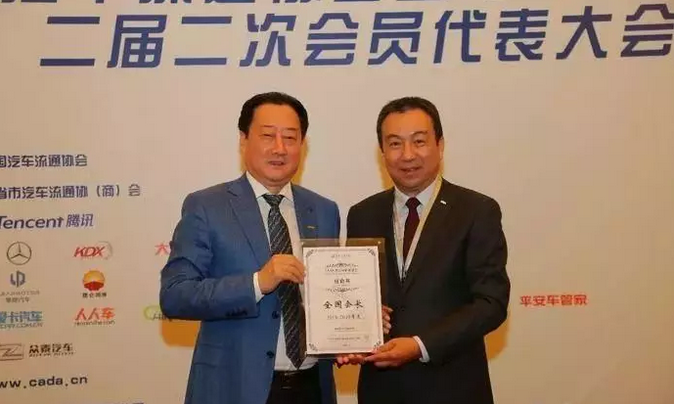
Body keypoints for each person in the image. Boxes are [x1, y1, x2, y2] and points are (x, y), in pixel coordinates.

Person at [160, 92, 339, 404]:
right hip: (235, 386)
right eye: (268, 136)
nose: (279, 148)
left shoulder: (324, 210)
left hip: (312, 386)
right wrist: (257, 283)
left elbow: (329, 293)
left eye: (290, 137)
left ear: (302, 144)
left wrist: (355, 325)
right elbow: (175, 296)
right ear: (243, 140)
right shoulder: (207, 206)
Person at [343, 96, 510, 404]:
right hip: (382, 391)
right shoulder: (362, 214)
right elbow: (358, 294)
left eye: (419, 141)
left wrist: (420, 345)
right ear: (382, 151)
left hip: (454, 388)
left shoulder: (476, 210)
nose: (407, 155)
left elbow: (491, 303)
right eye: (395, 144)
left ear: (440, 145)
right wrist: (351, 332)